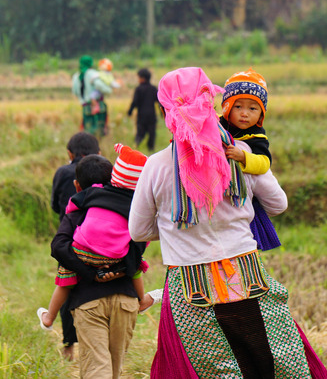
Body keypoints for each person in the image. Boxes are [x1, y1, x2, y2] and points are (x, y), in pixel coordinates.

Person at [128, 67, 320, 378]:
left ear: (165, 111)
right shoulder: (240, 153)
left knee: (209, 370)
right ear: (213, 105)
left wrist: (173, 225)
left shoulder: (155, 166)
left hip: (190, 289)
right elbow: (278, 204)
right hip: (245, 276)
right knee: (273, 362)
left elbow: (138, 231)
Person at [49, 153, 148, 379]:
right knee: (113, 370)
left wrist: (92, 273)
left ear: (76, 185)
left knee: (96, 369)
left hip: (88, 302)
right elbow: (139, 247)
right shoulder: (130, 209)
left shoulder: (78, 211)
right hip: (126, 300)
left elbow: (58, 246)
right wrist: (120, 269)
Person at [50, 131, 100, 360]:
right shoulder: (105, 170)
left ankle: (69, 345)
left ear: (69, 153)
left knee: (66, 285)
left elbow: (54, 205)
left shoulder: (62, 172)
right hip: (98, 239)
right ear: (99, 153)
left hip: (68, 238)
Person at [219, 68, 281, 251]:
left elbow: (264, 163)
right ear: (226, 107)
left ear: (261, 114)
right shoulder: (217, 124)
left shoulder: (257, 137)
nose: (244, 113)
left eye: (252, 108)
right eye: (238, 107)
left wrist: (244, 157)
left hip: (241, 197)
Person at [72, 55, 113, 137]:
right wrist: (109, 89)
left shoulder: (76, 76)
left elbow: (75, 92)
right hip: (98, 106)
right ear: (91, 63)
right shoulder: (94, 74)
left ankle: (89, 148)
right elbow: (103, 88)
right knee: (100, 130)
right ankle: (100, 148)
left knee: (88, 131)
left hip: (86, 107)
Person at [127, 68, 159, 151]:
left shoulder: (139, 89)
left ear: (143, 78)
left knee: (140, 132)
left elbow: (135, 102)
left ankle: (136, 145)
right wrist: (163, 113)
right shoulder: (153, 89)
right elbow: (159, 101)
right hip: (151, 115)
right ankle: (151, 148)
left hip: (142, 115)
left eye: (139, 77)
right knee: (152, 133)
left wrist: (130, 111)